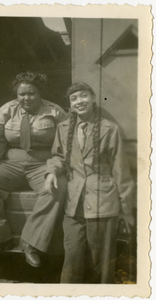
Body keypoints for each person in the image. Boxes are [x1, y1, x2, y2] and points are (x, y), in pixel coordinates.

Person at [0, 71, 68, 267]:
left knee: (58, 186)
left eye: (31, 93)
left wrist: (54, 170)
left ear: (40, 93)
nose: (26, 98)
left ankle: (31, 243)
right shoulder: (7, 110)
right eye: (21, 94)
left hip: (42, 164)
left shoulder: (55, 111)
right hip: (11, 163)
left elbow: (66, 146)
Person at [45, 82, 134, 283]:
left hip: (103, 203)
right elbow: (58, 156)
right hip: (74, 203)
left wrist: (127, 209)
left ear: (93, 98)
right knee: (72, 259)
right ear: (70, 104)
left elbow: (120, 169)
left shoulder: (109, 129)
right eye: (74, 99)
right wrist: (51, 172)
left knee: (102, 263)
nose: (79, 101)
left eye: (83, 96)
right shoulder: (63, 127)